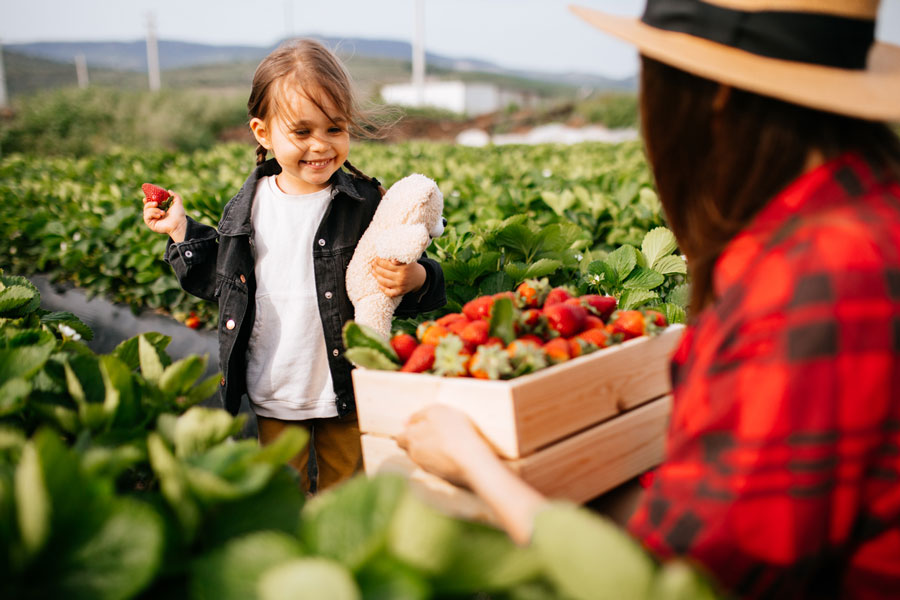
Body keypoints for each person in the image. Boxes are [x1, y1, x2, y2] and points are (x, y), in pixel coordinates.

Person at [397, 1, 900, 598]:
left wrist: (475, 465)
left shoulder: (814, 280)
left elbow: (671, 584)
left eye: (654, 81)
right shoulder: (867, 213)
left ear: (712, 97)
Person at [143, 39, 446, 493]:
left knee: (347, 492)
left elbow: (406, 271)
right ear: (263, 133)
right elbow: (220, 282)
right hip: (274, 386)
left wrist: (416, 277)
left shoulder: (364, 203)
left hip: (346, 385)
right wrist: (181, 231)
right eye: (301, 133)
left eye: (335, 128)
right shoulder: (247, 209)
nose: (320, 146)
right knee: (281, 493)